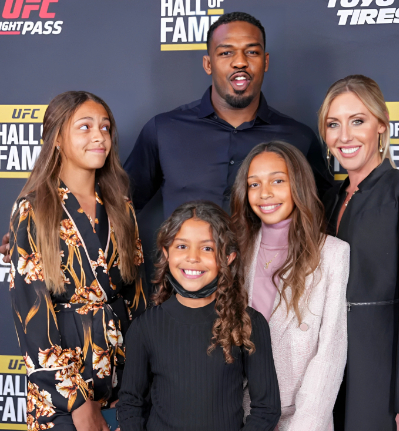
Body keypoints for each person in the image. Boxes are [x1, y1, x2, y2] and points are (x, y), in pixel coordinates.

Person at [8, 91, 148, 431]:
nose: (99, 135)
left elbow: (137, 298)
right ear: (57, 138)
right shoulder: (34, 210)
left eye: (105, 127)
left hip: (121, 382)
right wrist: (76, 402)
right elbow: (32, 316)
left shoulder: (122, 207)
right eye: (84, 127)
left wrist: (136, 379)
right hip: (63, 392)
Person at [319, 75, 399, 431]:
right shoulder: (328, 200)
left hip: (386, 375)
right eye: (333, 124)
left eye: (357, 120)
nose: (345, 136)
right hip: (333, 372)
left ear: (381, 125)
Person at [123, 11, 333, 219]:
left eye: (252, 52)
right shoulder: (163, 130)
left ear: (266, 62)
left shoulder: (299, 138)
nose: (240, 62)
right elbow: (119, 207)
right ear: (208, 64)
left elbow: (321, 218)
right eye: (226, 53)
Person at [117, 201, 281, 431]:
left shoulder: (250, 324)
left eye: (207, 248)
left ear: (229, 257)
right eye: (182, 246)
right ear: (166, 253)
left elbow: (267, 408)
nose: (193, 258)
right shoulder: (145, 327)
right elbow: (130, 404)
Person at [230, 141, 350, 431]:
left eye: (278, 181)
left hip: (300, 416)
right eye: (254, 184)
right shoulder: (235, 251)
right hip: (236, 412)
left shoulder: (333, 253)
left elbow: (330, 352)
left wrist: (306, 424)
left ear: (298, 183)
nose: (265, 193)